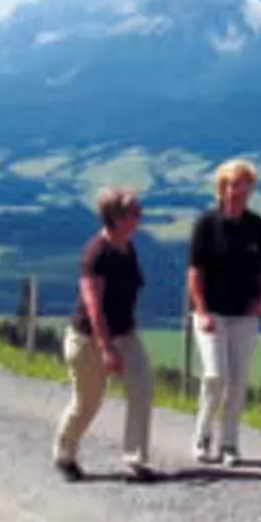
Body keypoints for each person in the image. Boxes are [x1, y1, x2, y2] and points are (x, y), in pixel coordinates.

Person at [52, 185, 156, 482]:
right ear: (117, 217)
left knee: (142, 389)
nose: (141, 216)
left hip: (126, 334)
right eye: (136, 212)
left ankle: (136, 459)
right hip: (90, 339)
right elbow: (93, 306)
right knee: (88, 402)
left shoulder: (129, 247)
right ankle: (64, 454)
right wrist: (106, 347)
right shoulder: (96, 253)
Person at [186, 157, 261, 466]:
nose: (240, 191)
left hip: (244, 313)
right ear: (222, 187)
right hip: (211, 312)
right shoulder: (206, 224)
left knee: (238, 381)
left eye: (246, 185)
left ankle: (230, 443)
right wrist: (201, 310)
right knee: (215, 376)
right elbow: (195, 271)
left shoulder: (257, 226)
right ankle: (202, 434)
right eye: (235, 184)